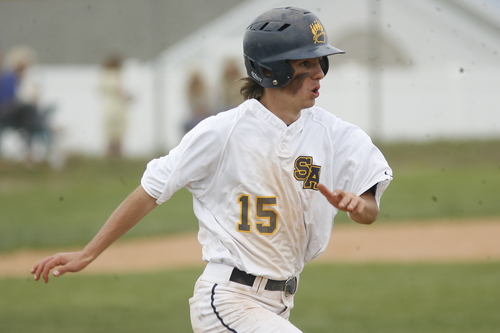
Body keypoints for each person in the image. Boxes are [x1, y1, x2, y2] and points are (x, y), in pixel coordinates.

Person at [31, 7, 393, 332]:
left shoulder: (334, 134)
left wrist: (361, 207)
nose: (319, 73)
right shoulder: (222, 132)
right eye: (305, 64)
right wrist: (88, 253)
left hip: (278, 304)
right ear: (270, 71)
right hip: (227, 300)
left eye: (320, 62)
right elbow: (152, 190)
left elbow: (370, 208)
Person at [98, 54, 131, 158]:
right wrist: (127, 97)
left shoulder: (103, 76)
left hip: (109, 107)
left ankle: (110, 154)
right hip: (117, 107)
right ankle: (116, 154)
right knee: (117, 132)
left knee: (110, 133)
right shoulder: (114, 75)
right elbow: (118, 91)